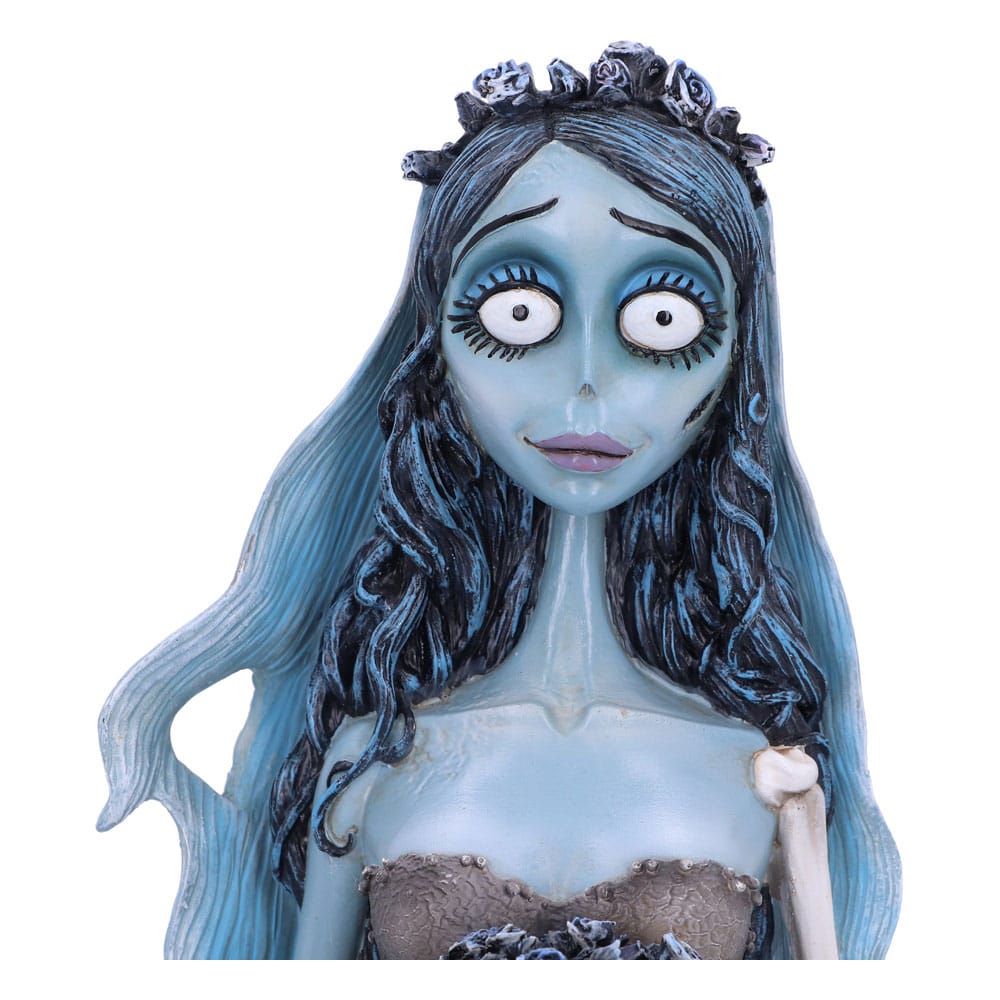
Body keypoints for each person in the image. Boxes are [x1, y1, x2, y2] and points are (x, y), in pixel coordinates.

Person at [99, 42, 900, 960]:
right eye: (517, 310)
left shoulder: (767, 776)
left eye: (663, 317)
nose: (587, 386)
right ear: (432, 348)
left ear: (735, 365)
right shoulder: (372, 759)